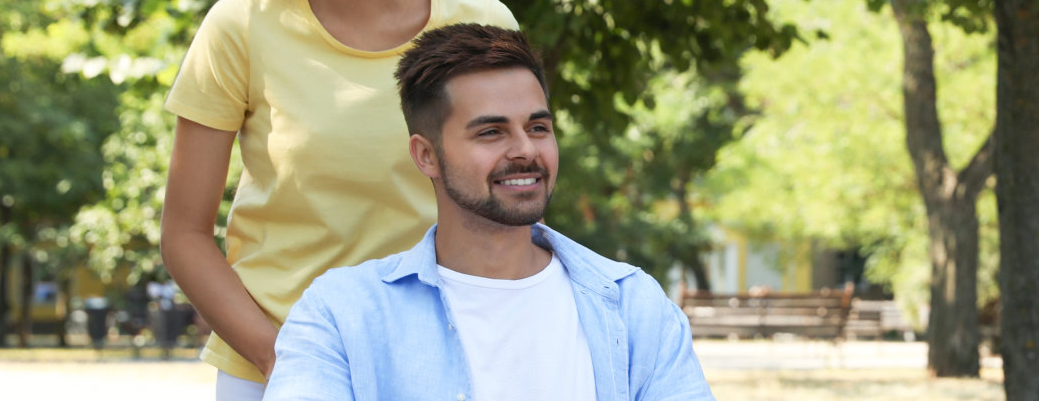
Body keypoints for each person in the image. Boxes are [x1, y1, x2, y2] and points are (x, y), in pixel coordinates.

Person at [159, 0, 519, 398]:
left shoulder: (480, 20)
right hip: (275, 366)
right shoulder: (241, 24)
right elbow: (185, 236)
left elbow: (512, 199)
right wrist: (290, 363)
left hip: (451, 360)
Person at [263, 24, 713, 401]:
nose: (524, 150)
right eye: (491, 132)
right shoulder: (342, 315)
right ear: (426, 156)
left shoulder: (634, 306)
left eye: (538, 127)